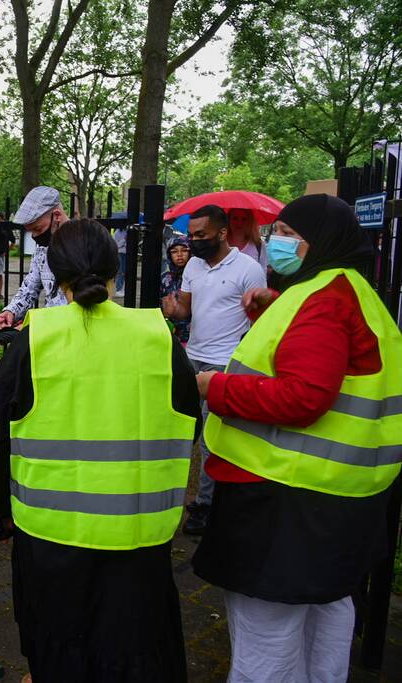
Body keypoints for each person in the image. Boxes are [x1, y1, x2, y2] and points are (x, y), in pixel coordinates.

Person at [0, 218, 201, 681]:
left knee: (60, 647)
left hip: (50, 540)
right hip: (139, 536)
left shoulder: (34, 340)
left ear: (54, 271)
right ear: (115, 266)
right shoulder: (159, 337)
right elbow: (189, 427)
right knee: (135, 651)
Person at [191, 194, 402, 682]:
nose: (276, 243)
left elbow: (304, 397)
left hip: (286, 499)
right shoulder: (348, 290)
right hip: (337, 497)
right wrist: (271, 310)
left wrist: (213, 386)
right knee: (326, 611)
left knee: (267, 628)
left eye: (287, 234)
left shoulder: (323, 301)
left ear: (319, 241)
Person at [160, 205, 266, 535]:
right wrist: (173, 308)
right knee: (179, 427)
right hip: (194, 357)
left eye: (201, 236)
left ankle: (207, 505)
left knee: (211, 437)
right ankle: (180, 496)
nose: (194, 242)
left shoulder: (248, 269)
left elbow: (260, 322)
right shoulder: (193, 264)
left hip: (225, 363)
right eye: (192, 236)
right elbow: (186, 310)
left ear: (221, 234)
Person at [0, 186, 69, 330]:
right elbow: (31, 284)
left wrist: (35, 325)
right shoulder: (43, 247)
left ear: (57, 215)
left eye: (38, 229)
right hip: (51, 332)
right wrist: (12, 310)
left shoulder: (84, 243)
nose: (35, 237)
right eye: (30, 231)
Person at [160, 234, 191, 344]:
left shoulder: (197, 276)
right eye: (174, 252)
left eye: (184, 250)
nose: (179, 255)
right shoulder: (164, 279)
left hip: (194, 336)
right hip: (171, 335)